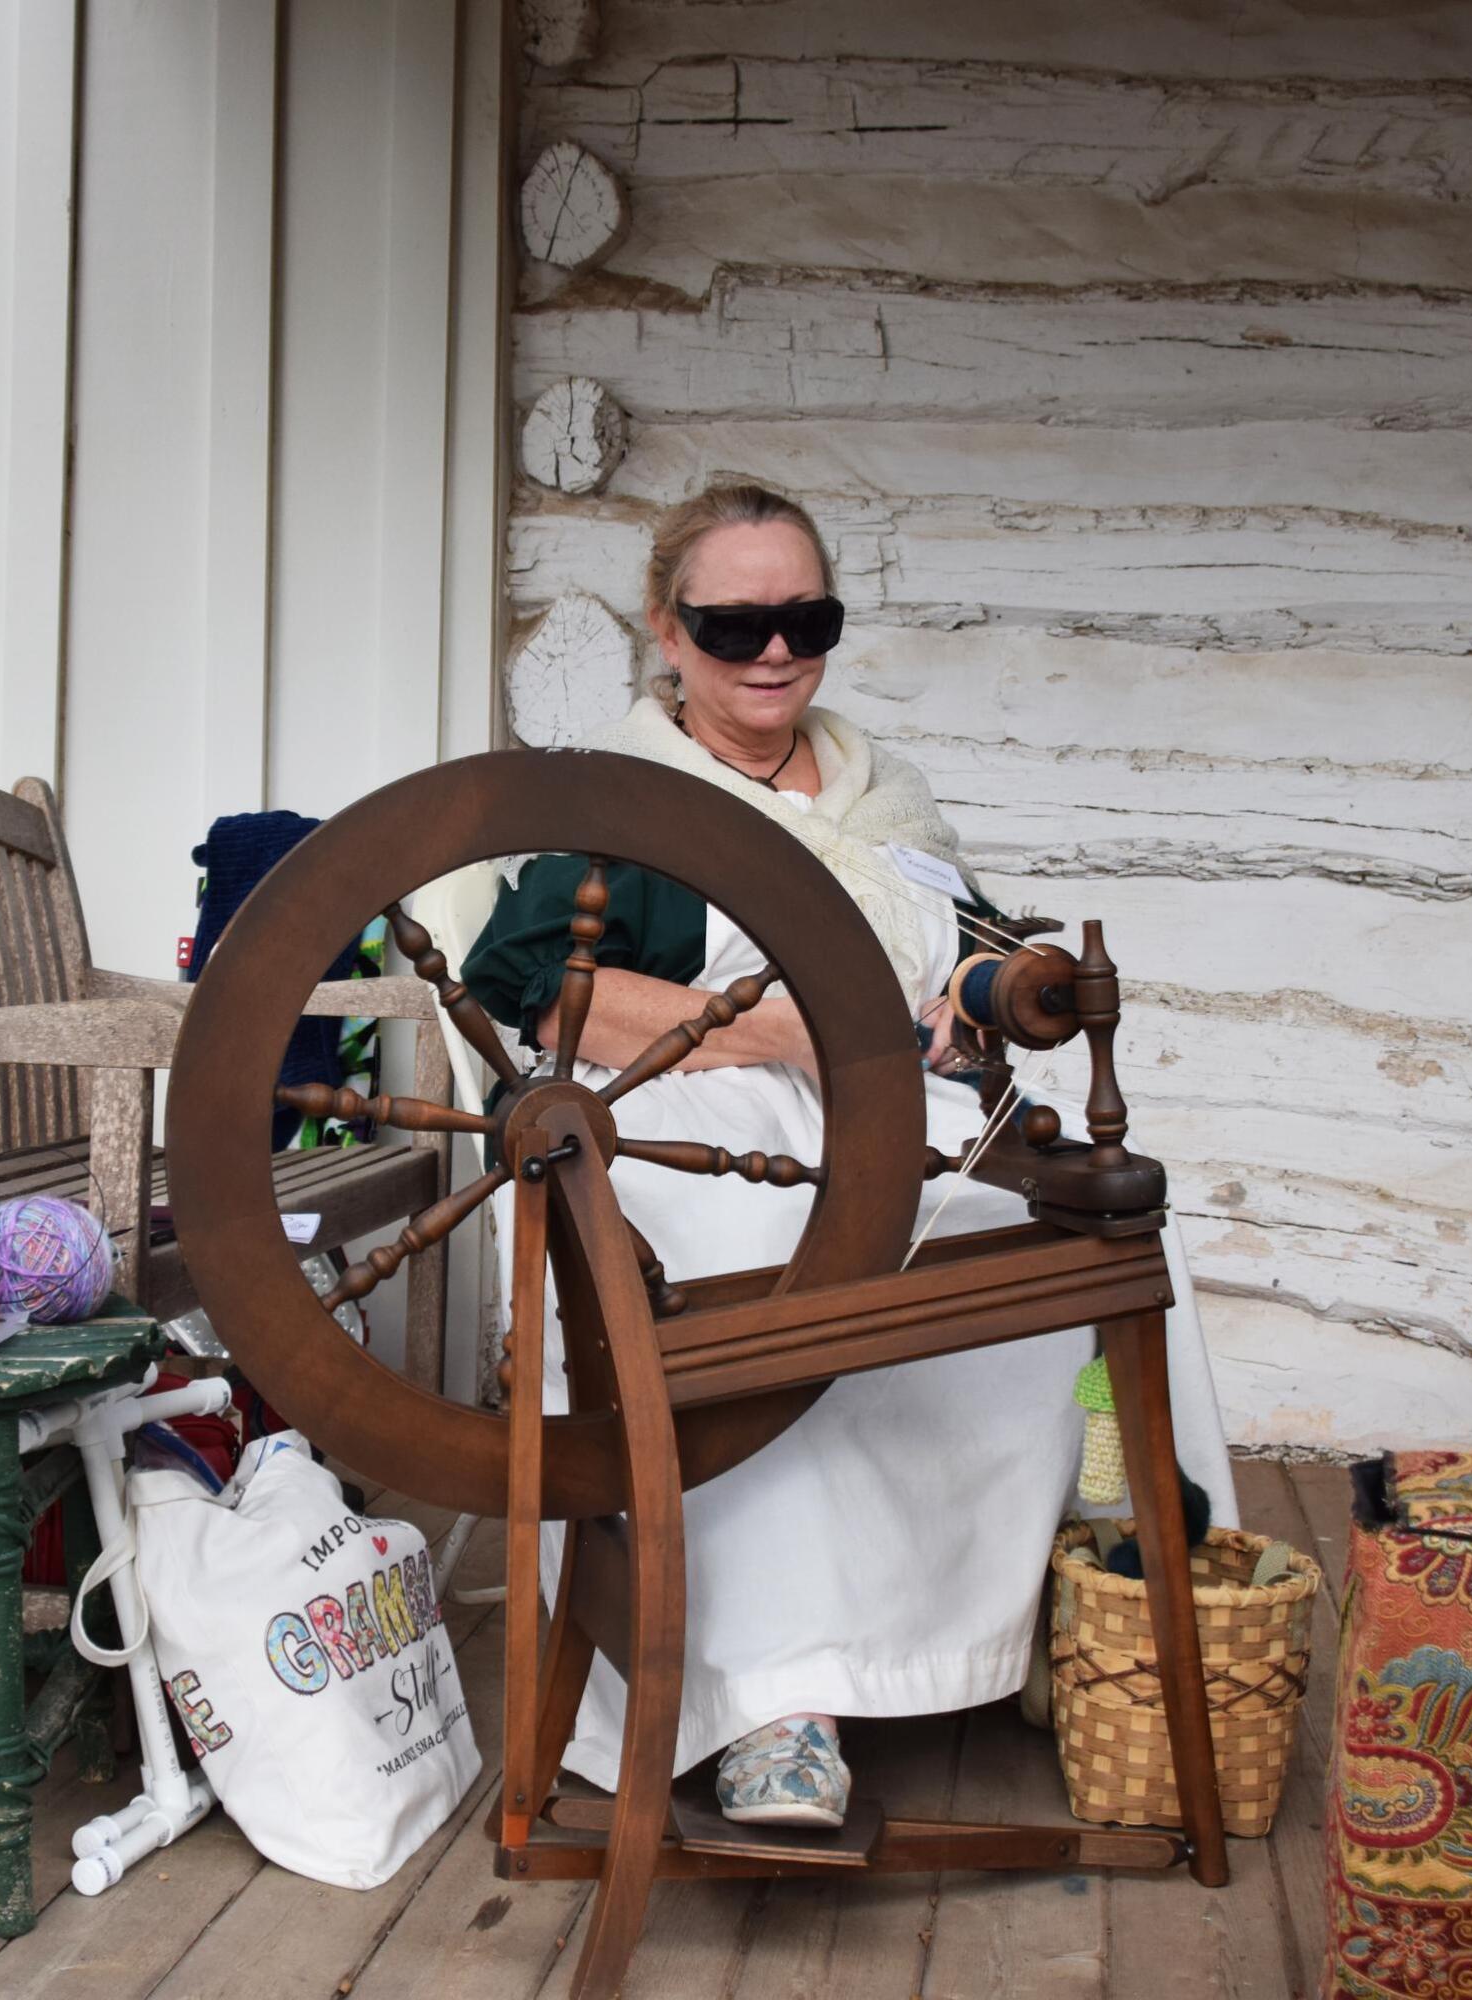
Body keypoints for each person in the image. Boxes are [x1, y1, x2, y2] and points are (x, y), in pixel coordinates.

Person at [462, 481, 1235, 1829]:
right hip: (694, 1119)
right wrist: (779, 1031)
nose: (772, 652)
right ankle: (779, 1700)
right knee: (761, 1276)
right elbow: (521, 981)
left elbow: (979, 946)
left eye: (803, 618)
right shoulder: (629, 793)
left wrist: (993, 992)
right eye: (733, 623)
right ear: (666, 630)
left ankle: (1075, 1596)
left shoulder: (883, 791)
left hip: (887, 1109)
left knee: (1065, 1247)